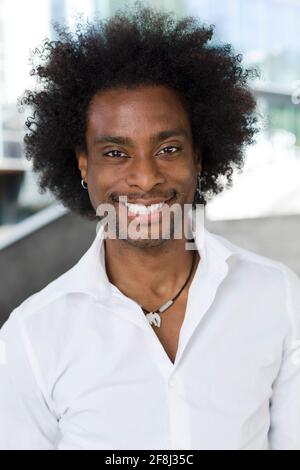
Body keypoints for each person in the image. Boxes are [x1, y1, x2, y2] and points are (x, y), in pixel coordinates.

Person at [0, 2, 299, 450]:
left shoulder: (278, 297)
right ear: (84, 165)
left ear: (199, 156)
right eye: (116, 153)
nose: (145, 178)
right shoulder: (31, 336)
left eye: (169, 148)